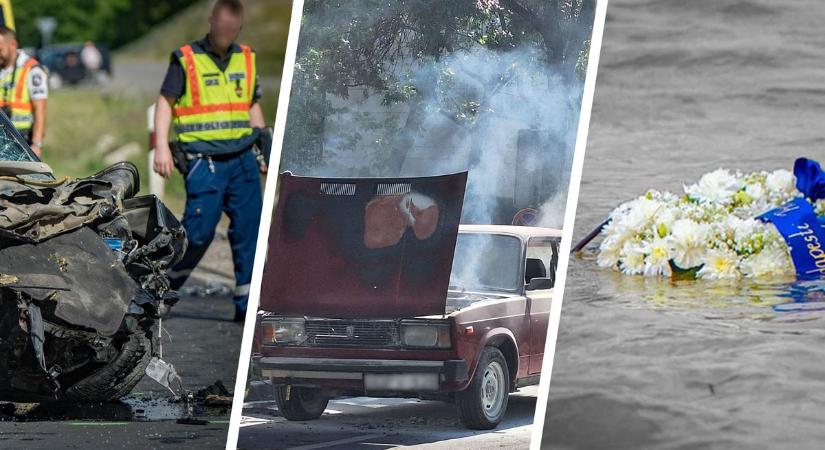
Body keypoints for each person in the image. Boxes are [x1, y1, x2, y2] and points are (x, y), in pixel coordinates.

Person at [153, 0, 266, 321]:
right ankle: (162, 290)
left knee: (249, 232)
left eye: (234, 29)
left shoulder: (246, 57)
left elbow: (252, 105)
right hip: (204, 160)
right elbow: (165, 103)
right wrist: (162, 147)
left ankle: (246, 307)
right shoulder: (186, 59)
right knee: (199, 232)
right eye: (223, 27)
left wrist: (263, 148)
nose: (228, 34)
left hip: (243, 158)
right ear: (211, 21)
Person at [0, 25, 47, 156]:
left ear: (13, 44)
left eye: (0, 50)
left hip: (23, 142)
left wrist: (37, 145)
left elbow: (40, 109)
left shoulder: (32, 70)